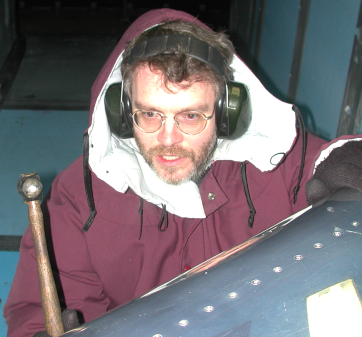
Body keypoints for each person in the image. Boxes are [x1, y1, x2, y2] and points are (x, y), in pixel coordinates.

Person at [4, 8, 362, 337]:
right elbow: (32, 310)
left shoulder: (274, 163)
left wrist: (349, 159)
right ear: (123, 113)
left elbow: (329, 158)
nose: (168, 139)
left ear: (225, 113)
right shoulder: (79, 200)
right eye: (150, 114)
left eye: (191, 116)